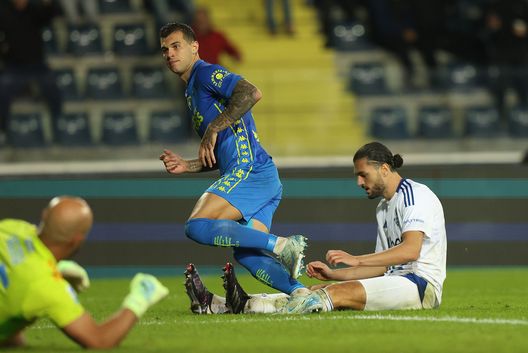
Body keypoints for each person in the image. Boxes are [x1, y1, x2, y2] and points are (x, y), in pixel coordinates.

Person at [184, 142, 447, 314]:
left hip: (420, 285)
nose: (358, 182)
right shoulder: (383, 207)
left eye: (363, 174)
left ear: (386, 169)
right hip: (394, 280)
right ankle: (227, 304)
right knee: (313, 291)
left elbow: (410, 251)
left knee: (330, 297)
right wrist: (333, 274)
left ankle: (243, 305)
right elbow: (380, 268)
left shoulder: (414, 195)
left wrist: (354, 259)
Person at [158, 22, 309, 302]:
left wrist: (213, 127)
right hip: (262, 177)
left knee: (197, 226)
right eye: (165, 49)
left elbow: (251, 92)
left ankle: (283, 245)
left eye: (176, 46)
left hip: (250, 171)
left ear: (194, 47)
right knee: (247, 254)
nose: (169, 53)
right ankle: (301, 292)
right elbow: (220, 150)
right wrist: (189, 165)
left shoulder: (205, 72)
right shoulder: (192, 92)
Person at [0, 196, 169, 348]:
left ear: (44, 216)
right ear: (77, 240)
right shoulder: (47, 288)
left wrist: (56, 269)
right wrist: (139, 298)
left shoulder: (12, 228)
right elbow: (99, 341)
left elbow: (18, 269)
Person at [0, 0, 64, 143]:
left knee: (53, 87)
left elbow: (52, 15)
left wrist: (49, 4)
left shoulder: (35, 10)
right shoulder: (4, 12)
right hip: (14, 67)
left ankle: (58, 126)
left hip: (38, 66)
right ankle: (2, 129)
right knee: (2, 90)